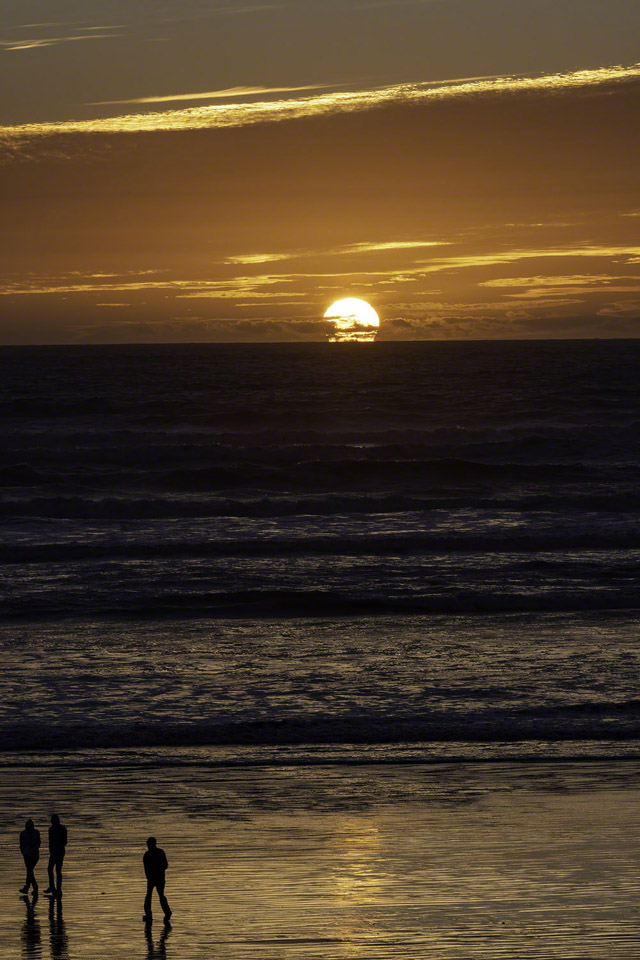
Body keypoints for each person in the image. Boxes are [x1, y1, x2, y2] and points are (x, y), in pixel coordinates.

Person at [143, 837, 172, 925]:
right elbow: (165, 866)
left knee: (157, 895)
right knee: (152, 895)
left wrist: (154, 872)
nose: (148, 846)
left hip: (158, 878)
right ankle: (151, 913)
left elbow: (165, 865)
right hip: (154, 878)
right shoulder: (150, 854)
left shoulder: (153, 854)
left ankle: (166, 912)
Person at [45, 814, 67, 898]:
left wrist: (57, 845)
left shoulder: (62, 829)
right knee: (51, 869)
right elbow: (50, 841)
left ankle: (58, 888)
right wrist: (51, 850)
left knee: (57, 870)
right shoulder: (51, 829)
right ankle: (53, 887)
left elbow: (64, 842)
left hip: (59, 851)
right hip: (54, 852)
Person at [19, 819, 41, 894]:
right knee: (29, 871)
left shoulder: (36, 833)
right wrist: (24, 852)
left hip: (34, 855)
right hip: (26, 855)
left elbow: (38, 844)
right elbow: (21, 845)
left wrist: (33, 851)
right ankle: (28, 887)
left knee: (29, 870)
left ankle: (32, 887)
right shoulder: (23, 834)